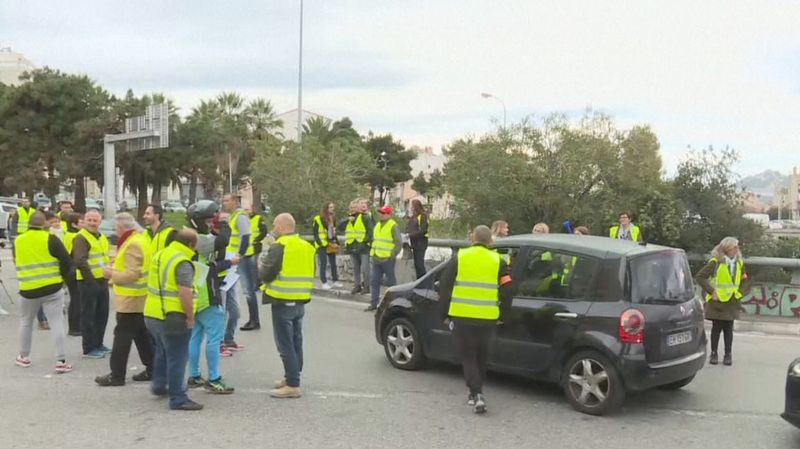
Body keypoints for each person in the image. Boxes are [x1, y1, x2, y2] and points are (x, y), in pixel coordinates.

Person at [438, 225, 514, 414]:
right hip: (488, 317)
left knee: (468, 356)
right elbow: (508, 289)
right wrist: (503, 315)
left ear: (472, 238)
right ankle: (475, 392)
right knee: (481, 356)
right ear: (491, 241)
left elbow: (445, 286)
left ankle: (477, 393)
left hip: (462, 315)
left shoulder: (460, 257)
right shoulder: (499, 260)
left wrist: (444, 314)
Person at [144, 228, 203, 411]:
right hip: (172, 315)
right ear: (191, 244)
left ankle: (160, 385)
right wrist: (190, 316)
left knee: (162, 351)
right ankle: (178, 397)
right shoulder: (182, 261)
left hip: (152, 313)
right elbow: (184, 291)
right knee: (177, 357)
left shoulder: (162, 254)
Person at [258, 213, 316, 398]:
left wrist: (264, 252)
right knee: (296, 340)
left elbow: (266, 273)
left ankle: (292, 385)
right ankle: (292, 375)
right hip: (300, 299)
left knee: (285, 344)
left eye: (275, 225)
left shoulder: (280, 246)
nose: (273, 229)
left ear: (282, 227)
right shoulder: (307, 246)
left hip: (283, 299)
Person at [95, 213, 155, 386]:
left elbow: (132, 274)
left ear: (122, 227)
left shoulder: (133, 244)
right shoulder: (141, 239)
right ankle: (153, 368)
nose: (115, 231)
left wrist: (110, 274)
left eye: (116, 228)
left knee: (122, 336)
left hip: (131, 297)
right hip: (140, 296)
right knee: (141, 334)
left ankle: (117, 375)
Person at [13, 212, 74, 373]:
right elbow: (67, 261)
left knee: (26, 322)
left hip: (27, 288)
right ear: (44, 224)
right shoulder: (50, 238)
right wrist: (62, 278)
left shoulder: (18, 240)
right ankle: (61, 360)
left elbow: (15, 260)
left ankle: (23, 356)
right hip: (52, 288)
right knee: (56, 322)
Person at [186, 201, 236, 394]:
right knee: (215, 338)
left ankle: (195, 375)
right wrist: (223, 223)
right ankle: (214, 378)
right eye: (207, 221)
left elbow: (218, 248)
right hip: (207, 293)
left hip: (195, 294)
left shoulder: (189, 236)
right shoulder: (200, 239)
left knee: (196, 337)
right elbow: (223, 242)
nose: (210, 224)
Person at [695, 236, 749, 366]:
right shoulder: (715, 262)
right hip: (717, 301)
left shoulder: (739, 263)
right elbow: (700, 277)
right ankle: (714, 353)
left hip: (732, 300)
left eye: (737, 247)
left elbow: (745, 280)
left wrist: (739, 293)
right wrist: (711, 291)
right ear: (727, 248)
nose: (737, 249)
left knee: (729, 329)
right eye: (734, 247)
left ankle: (728, 355)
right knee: (716, 328)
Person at [72, 209, 111, 359]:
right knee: (89, 315)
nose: (92, 223)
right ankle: (88, 348)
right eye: (89, 220)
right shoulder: (81, 238)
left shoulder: (101, 237)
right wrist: (91, 281)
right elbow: (80, 261)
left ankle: (98, 343)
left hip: (101, 280)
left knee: (102, 314)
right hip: (88, 282)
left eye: (95, 220)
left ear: (100, 222)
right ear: (84, 221)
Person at [220, 193, 254, 344]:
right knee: (231, 302)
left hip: (236, 260)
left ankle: (226, 338)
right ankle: (227, 338)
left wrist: (240, 254)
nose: (224, 203)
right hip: (230, 261)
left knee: (244, 294)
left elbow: (245, 236)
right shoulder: (232, 216)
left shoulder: (240, 216)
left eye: (227, 200)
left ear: (235, 201)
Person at [366, 205, 401, 312]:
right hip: (376, 257)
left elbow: (398, 242)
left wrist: (392, 254)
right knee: (374, 281)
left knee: (391, 283)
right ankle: (374, 303)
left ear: (389, 215)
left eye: (383, 213)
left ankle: (393, 305)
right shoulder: (377, 225)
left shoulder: (393, 225)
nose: (381, 215)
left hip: (387, 259)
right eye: (380, 212)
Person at [240, 204, 267, 331]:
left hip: (252, 251)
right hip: (243, 253)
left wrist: (256, 240)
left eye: (248, 209)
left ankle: (254, 320)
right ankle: (253, 319)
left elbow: (263, 231)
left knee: (249, 289)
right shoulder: (241, 220)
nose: (246, 211)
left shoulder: (257, 218)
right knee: (248, 289)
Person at [339, 199, 373, 295]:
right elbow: (340, 227)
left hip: (363, 247)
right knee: (355, 268)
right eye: (351, 208)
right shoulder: (348, 219)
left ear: (358, 208)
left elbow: (371, 232)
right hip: (352, 246)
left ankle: (366, 286)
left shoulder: (365, 217)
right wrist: (347, 220)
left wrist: (364, 242)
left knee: (365, 268)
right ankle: (357, 285)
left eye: (354, 207)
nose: (353, 209)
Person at [313, 202, 342, 290]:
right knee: (323, 263)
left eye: (333, 207)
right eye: (330, 207)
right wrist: (320, 243)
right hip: (322, 243)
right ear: (326, 209)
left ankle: (335, 280)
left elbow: (334, 231)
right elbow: (315, 233)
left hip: (331, 242)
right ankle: (324, 282)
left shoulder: (333, 218)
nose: (332, 209)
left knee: (333, 263)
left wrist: (336, 242)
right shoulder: (318, 219)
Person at [64, 212, 83, 336]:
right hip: (73, 271)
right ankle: (75, 327)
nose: (85, 224)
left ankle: (75, 326)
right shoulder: (74, 237)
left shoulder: (69, 235)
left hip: (70, 270)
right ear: (74, 225)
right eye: (81, 222)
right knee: (77, 299)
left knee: (76, 299)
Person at [407, 199, 429, 279]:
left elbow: (423, 230)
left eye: (412, 206)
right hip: (414, 244)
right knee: (417, 265)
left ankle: (424, 282)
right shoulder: (413, 217)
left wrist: (411, 235)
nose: (411, 208)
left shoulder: (423, 216)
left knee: (420, 265)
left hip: (421, 244)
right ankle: (419, 282)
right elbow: (409, 227)